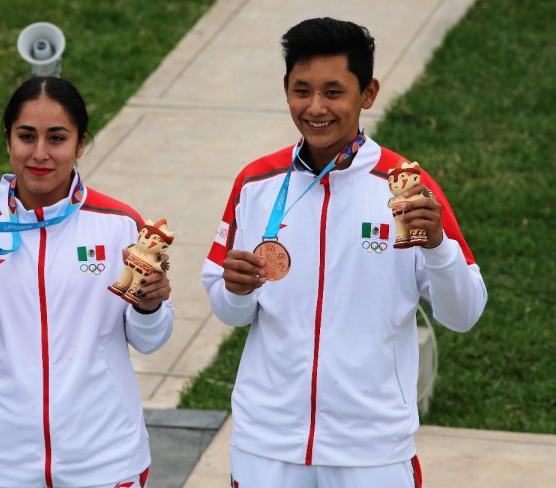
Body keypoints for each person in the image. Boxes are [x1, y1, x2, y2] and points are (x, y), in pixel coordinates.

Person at [201, 18, 487, 488]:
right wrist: (234, 291)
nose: (315, 108)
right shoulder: (255, 183)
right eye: (302, 90)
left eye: (333, 92)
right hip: (266, 444)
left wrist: (437, 247)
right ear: (286, 89)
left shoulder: (408, 190)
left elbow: (464, 314)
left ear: (368, 93)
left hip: (370, 449)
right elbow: (229, 309)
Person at [0, 76, 173, 488]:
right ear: (8, 139)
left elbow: (150, 340)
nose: (40, 154)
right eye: (27, 136)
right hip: (5, 465)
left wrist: (148, 307)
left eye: (57, 138)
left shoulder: (120, 225)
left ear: (80, 145)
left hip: (105, 461)